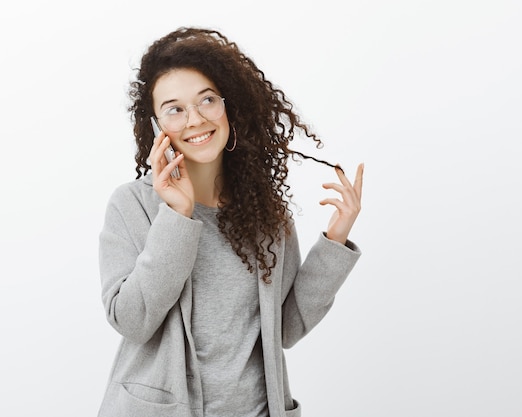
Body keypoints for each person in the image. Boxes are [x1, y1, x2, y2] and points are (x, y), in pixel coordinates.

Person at [97, 26, 364, 417]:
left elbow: (285, 328)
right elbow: (132, 320)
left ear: (229, 106)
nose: (195, 119)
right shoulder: (132, 204)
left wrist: (335, 240)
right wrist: (177, 214)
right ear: (155, 126)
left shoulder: (264, 211)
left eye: (207, 100)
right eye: (174, 109)